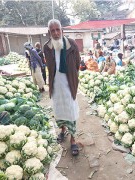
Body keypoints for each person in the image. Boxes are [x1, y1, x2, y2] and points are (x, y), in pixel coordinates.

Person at [43, 19, 81, 156]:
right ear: (49, 32)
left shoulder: (72, 45)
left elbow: (77, 63)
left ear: (62, 30)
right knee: (59, 109)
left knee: (70, 110)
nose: (56, 33)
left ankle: (73, 139)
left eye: (57, 29)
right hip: (56, 85)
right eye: (52, 30)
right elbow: (49, 66)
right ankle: (63, 130)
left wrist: (72, 76)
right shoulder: (47, 47)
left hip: (69, 84)